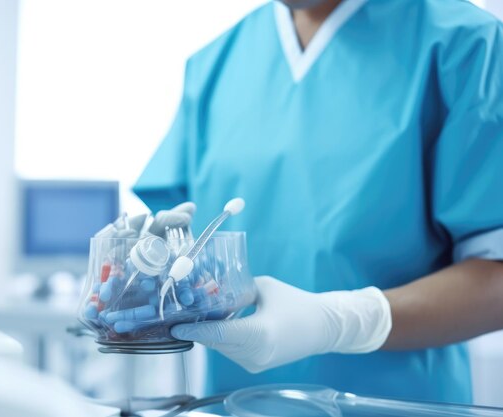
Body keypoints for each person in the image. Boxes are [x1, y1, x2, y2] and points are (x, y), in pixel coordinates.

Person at [132, 0, 503, 404]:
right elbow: (187, 258)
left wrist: (344, 322)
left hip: (397, 406)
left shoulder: (467, 45)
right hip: (232, 405)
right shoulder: (214, 64)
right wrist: (144, 270)